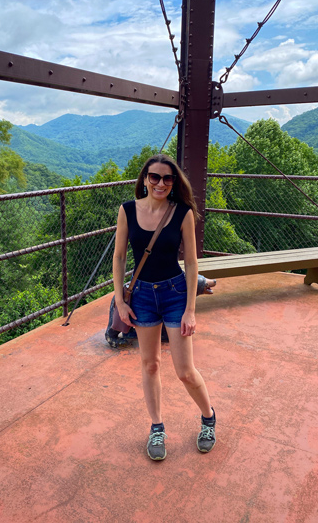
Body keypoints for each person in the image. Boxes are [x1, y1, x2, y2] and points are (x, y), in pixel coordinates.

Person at [113, 153, 216, 461]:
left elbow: (193, 262)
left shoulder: (182, 212)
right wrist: (120, 301)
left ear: (174, 183)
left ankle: (208, 418)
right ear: (144, 179)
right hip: (142, 295)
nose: (160, 183)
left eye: (167, 178)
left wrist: (190, 309)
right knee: (151, 365)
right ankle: (157, 427)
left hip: (174, 292)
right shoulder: (128, 210)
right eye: (154, 177)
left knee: (184, 371)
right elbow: (119, 258)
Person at [105, 275, 216, 348]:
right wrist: (119, 303)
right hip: (133, 296)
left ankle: (164, 334)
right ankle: (111, 336)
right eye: (205, 285)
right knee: (119, 319)